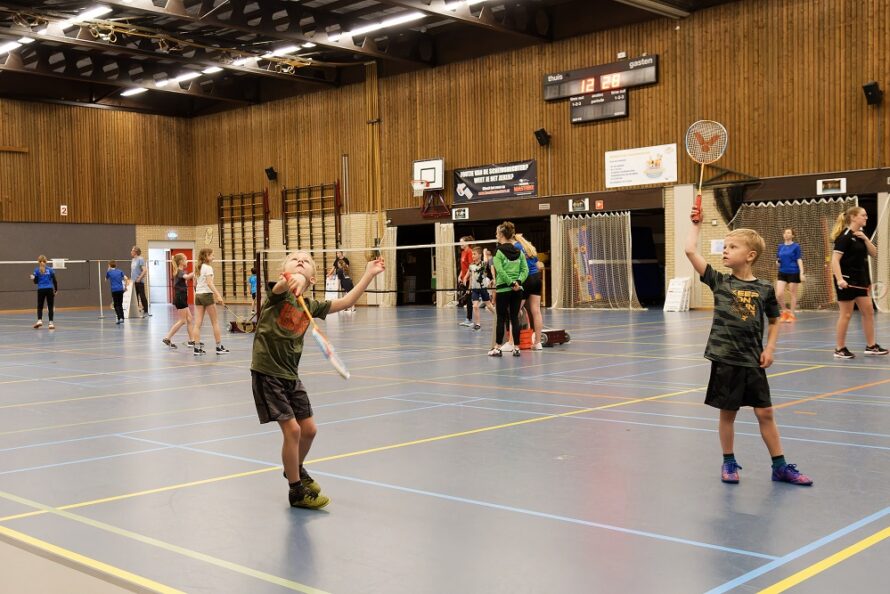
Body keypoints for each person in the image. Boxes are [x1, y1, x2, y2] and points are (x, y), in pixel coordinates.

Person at [685, 202, 812, 486]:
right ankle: (729, 462)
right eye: (725, 246)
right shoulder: (719, 282)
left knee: (765, 412)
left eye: (732, 247)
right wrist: (696, 224)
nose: (724, 251)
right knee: (728, 414)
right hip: (725, 358)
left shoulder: (765, 288)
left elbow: (776, 319)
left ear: (750, 255)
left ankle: (779, 466)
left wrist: (770, 348)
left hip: (753, 359)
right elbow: (690, 251)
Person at [251, 250, 385, 509]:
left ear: (314, 279)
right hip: (268, 372)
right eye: (294, 259)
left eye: (307, 261)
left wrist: (368, 274)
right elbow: (281, 285)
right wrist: (293, 279)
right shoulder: (277, 296)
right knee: (293, 430)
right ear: (284, 270)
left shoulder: (311, 307)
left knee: (309, 430)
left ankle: (295, 468)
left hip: (291, 374)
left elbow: (345, 302)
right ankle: (296, 491)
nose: (301, 260)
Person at [830, 206, 888, 358]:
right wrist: (840, 279)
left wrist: (866, 239)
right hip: (846, 281)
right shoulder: (844, 237)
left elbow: (874, 253)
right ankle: (839, 349)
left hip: (861, 280)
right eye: (863, 215)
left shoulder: (860, 235)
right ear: (854, 217)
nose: (866, 217)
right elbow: (835, 261)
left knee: (868, 311)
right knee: (846, 314)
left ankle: (871, 346)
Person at [489, 222, 528, 357]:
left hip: (503, 290)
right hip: (517, 290)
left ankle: (497, 348)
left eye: (496, 233)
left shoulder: (498, 252)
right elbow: (525, 270)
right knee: (514, 318)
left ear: (501, 235)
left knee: (501, 318)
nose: (496, 235)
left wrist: (510, 283)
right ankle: (516, 348)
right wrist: (517, 282)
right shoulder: (519, 251)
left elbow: (500, 270)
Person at [191, 248, 229, 355]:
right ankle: (218, 347)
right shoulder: (208, 268)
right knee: (215, 322)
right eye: (212, 255)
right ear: (206, 256)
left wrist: (199, 293)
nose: (214, 257)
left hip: (198, 295)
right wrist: (218, 295)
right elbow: (209, 283)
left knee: (197, 324)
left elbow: (194, 284)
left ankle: (197, 348)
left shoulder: (198, 267)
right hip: (207, 295)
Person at [515, 233, 544, 350]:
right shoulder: (529, 248)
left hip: (525, 279)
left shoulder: (516, 247)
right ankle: (537, 342)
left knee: (515, 310)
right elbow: (539, 266)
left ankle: (513, 342)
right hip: (536, 278)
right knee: (536, 311)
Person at [163, 253, 196, 349]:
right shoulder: (179, 271)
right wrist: (196, 271)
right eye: (185, 260)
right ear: (181, 262)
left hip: (182, 298)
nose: (187, 261)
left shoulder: (180, 271)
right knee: (182, 320)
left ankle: (192, 340)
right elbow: (187, 277)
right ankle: (167, 338)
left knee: (189, 319)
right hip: (180, 298)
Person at [775, 228, 804, 322]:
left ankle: (791, 314)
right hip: (782, 271)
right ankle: (784, 311)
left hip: (793, 271)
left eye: (788, 233)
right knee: (779, 293)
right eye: (785, 233)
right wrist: (777, 263)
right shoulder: (780, 246)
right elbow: (778, 259)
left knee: (793, 294)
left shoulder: (796, 246)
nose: (786, 234)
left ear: (792, 235)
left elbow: (799, 259)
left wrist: (801, 273)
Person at [468, 247, 493, 330]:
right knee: (475, 306)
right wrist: (469, 287)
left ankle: (498, 317)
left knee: (489, 306)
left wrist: (484, 252)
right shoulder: (471, 265)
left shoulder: (483, 264)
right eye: (472, 254)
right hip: (475, 289)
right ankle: (478, 324)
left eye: (474, 254)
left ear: (479, 255)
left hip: (483, 288)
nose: (473, 255)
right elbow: (471, 277)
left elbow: (486, 260)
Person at [31, 255, 58, 329]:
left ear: (38, 261)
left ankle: (39, 320)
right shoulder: (50, 269)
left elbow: (35, 282)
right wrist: (56, 290)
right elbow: (55, 281)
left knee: (40, 306)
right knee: (50, 307)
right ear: (46, 261)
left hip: (41, 290)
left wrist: (33, 278)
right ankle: (51, 323)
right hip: (49, 289)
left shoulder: (36, 270)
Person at [457, 236, 474, 327]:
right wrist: (460, 276)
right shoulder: (463, 252)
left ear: (467, 243)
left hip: (470, 279)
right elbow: (463, 266)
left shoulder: (469, 251)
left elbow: (471, 266)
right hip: (464, 279)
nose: (460, 244)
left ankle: (469, 320)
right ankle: (468, 319)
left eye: (462, 242)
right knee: (467, 300)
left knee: (469, 300)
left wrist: (466, 277)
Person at [105, 260, 129, 324]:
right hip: (121, 290)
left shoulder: (109, 272)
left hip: (114, 290)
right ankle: (122, 318)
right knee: (120, 304)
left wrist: (108, 270)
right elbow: (126, 278)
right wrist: (126, 287)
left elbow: (105, 279)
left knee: (116, 305)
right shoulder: (120, 271)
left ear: (109, 265)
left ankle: (119, 318)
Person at [131, 246, 150, 318]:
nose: (131, 252)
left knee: (142, 296)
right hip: (133, 282)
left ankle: (146, 311)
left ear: (135, 251)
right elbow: (133, 271)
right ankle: (136, 311)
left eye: (132, 250)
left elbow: (145, 270)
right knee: (135, 297)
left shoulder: (140, 259)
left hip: (139, 282)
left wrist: (139, 278)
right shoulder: (133, 260)